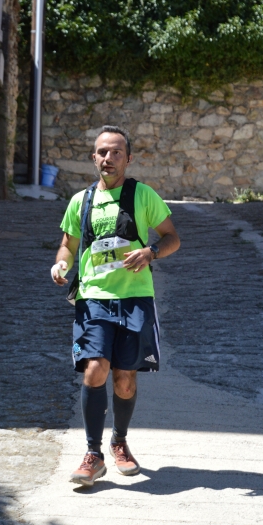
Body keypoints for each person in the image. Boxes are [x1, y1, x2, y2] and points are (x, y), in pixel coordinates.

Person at [51, 125, 180, 486]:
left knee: (124, 379)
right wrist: (61, 264)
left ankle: (119, 442)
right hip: (93, 297)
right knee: (95, 368)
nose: (108, 158)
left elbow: (172, 238)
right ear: (94, 157)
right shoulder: (81, 200)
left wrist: (151, 252)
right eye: (103, 152)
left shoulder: (143, 195)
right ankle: (92, 455)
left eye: (116, 152)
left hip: (135, 298)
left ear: (128, 158)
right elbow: (68, 245)